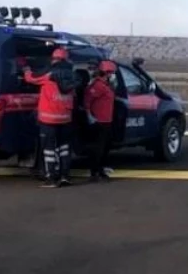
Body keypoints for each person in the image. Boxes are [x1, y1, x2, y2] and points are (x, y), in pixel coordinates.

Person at [22, 47, 76, 187]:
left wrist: (26, 68)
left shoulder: (48, 75)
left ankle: (51, 178)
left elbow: (30, 79)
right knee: (64, 148)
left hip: (48, 119)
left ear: (55, 59)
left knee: (49, 150)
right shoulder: (72, 75)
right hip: (65, 118)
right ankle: (65, 176)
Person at [83, 60, 117, 181]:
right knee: (97, 149)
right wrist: (89, 115)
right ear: (106, 73)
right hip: (99, 122)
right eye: (111, 73)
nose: (112, 75)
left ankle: (101, 170)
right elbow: (87, 101)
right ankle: (94, 172)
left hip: (107, 121)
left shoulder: (106, 86)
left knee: (105, 148)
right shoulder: (97, 86)